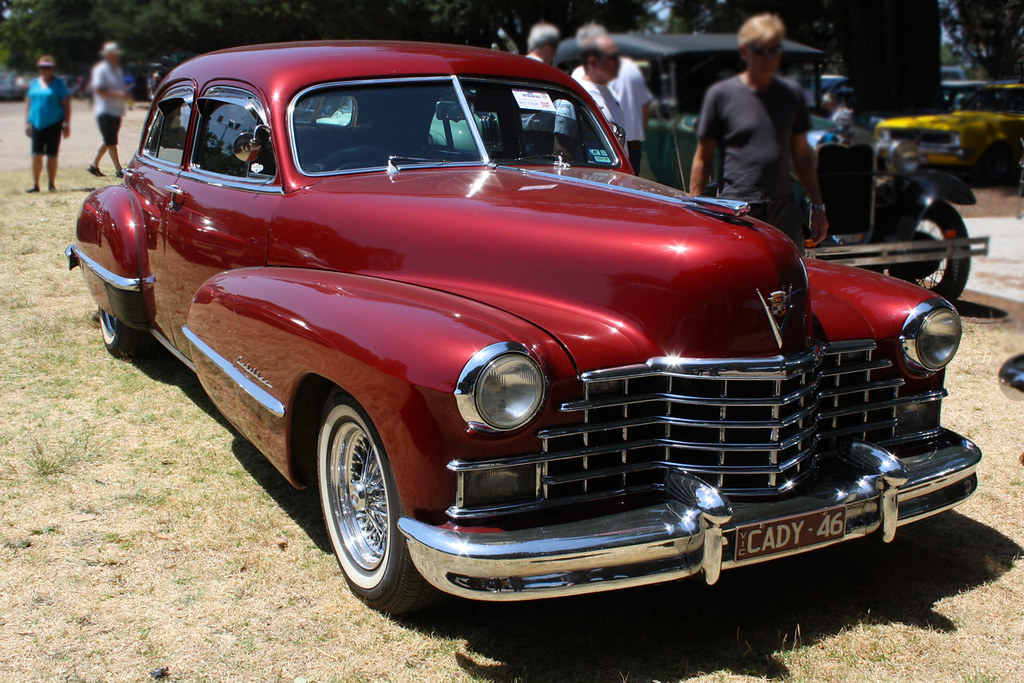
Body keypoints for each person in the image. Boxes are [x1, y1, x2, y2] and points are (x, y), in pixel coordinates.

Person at [689, 13, 828, 251]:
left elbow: (802, 154)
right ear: (745, 52)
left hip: (783, 206)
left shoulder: (790, 94)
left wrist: (817, 206)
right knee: (743, 274)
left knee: (791, 273)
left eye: (774, 51)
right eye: (761, 51)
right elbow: (703, 156)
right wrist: (695, 211)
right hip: (738, 206)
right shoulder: (722, 95)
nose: (769, 58)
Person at [24, 55, 71, 193]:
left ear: (52, 69)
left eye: (48, 67)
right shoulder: (34, 83)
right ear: (39, 68)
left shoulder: (58, 84)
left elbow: (66, 104)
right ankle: (36, 184)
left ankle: (51, 184)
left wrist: (67, 124)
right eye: (43, 67)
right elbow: (29, 103)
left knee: (52, 154)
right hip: (37, 124)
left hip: (54, 123)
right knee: (36, 154)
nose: (45, 70)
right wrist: (27, 122)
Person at [573, 30, 624, 135]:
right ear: (593, 62)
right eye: (612, 58)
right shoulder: (577, 96)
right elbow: (562, 148)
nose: (618, 63)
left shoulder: (611, 95)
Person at [88, 41, 127, 178]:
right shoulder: (101, 70)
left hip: (115, 110)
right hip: (105, 110)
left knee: (108, 139)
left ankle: (93, 165)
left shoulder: (116, 70)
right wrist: (118, 94)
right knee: (111, 141)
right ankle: (118, 169)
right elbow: (99, 90)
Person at [610, 55, 653, 173]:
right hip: (633, 140)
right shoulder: (633, 69)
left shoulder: (607, 70)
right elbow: (646, 105)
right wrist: (640, 133)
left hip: (614, 140)